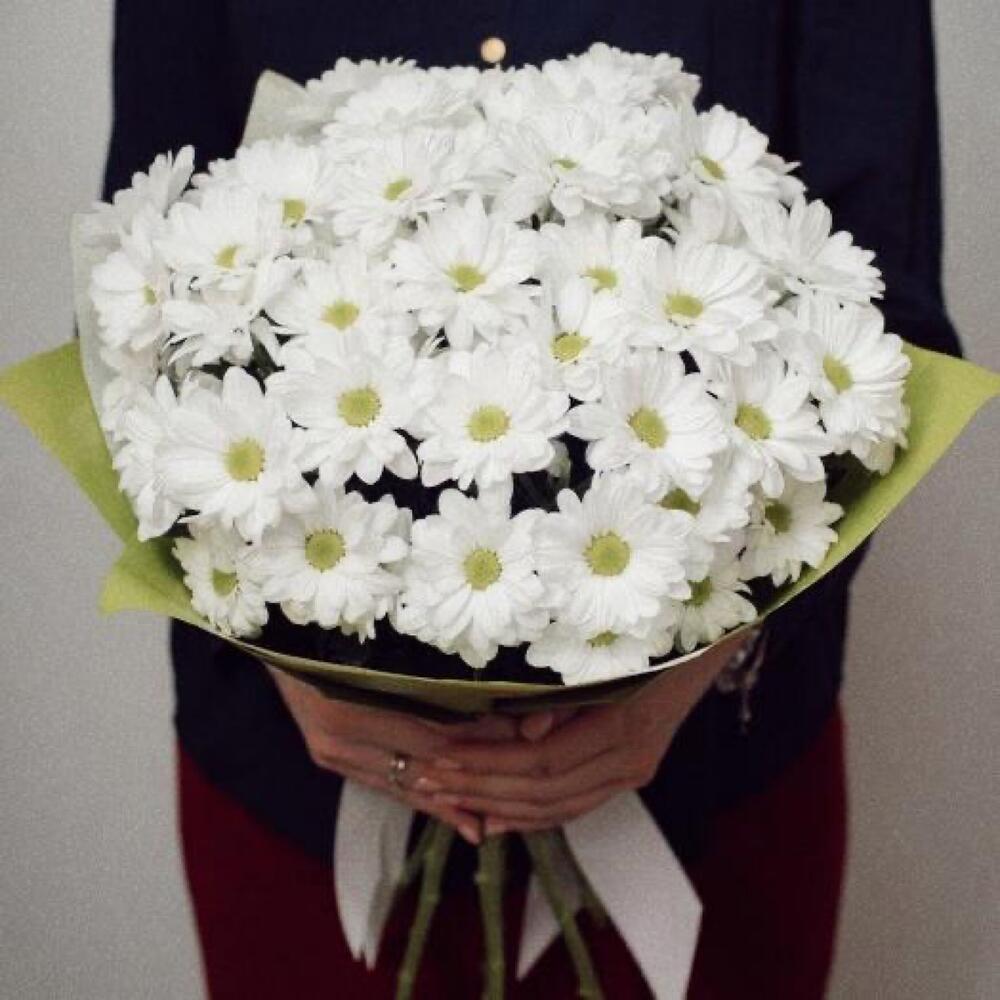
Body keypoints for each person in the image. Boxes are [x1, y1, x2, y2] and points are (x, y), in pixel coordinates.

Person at [102, 2, 961, 997]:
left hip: (708, 781)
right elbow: (136, 296)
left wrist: (696, 652)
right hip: (297, 782)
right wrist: (283, 648)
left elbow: (889, 324)